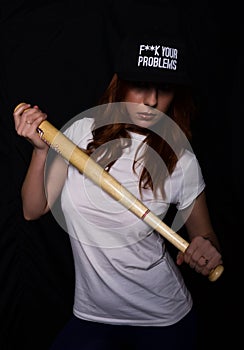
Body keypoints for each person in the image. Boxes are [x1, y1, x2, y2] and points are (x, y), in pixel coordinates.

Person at [13, 33, 223, 350]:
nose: (151, 100)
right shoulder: (79, 134)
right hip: (91, 315)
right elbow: (33, 209)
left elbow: (205, 237)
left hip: (162, 319)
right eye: (141, 85)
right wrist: (41, 152)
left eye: (164, 89)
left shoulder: (180, 158)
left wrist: (205, 251)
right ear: (120, 84)